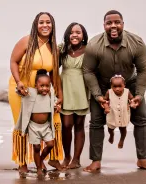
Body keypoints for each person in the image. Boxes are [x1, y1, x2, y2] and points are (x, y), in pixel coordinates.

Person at [82, 10, 146, 172]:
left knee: (141, 120)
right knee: (96, 122)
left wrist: (138, 95)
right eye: (109, 23)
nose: (113, 26)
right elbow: (88, 71)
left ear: (123, 24)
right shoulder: (94, 45)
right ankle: (96, 161)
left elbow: (143, 70)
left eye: (117, 22)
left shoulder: (136, 43)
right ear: (104, 26)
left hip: (129, 84)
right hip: (102, 85)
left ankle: (142, 159)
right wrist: (98, 96)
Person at [8, 12, 64, 177]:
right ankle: (22, 162)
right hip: (21, 90)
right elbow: (13, 61)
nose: (45, 25)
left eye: (48, 22)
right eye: (41, 22)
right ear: (35, 25)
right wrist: (19, 82)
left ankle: (47, 159)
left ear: (52, 25)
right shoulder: (27, 41)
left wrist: (60, 97)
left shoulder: (53, 47)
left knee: (53, 121)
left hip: (43, 91)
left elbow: (55, 75)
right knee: (23, 125)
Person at [14, 69, 61, 177]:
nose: (45, 88)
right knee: (36, 147)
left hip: (46, 126)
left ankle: (40, 159)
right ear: (36, 85)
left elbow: (54, 102)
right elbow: (19, 91)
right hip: (33, 127)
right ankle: (39, 167)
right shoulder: (30, 93)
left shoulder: (50, 93)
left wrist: (57, 106)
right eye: (42, 86)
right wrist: (20, 87)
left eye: (47, 86)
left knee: (50, 144)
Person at [59, 22, 89, 169]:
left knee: (79, 125)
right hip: (65, 90)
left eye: (78, 32)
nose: (75, 35)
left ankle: (76, 160)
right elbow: (51, 67)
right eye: (72, 32)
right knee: (66, 125)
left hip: (81, 91)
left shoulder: (88, 51)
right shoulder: (62, 49)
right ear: (68, 35)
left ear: (83, 36)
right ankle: (67, 156)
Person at [102, 74, 136, 149]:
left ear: (124, 85)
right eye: (115, 86)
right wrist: (106, 107)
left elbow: (132, 99)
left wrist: (132, 103)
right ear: (111, 86)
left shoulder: (127, 92)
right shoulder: (109, 92)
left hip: (123, 114)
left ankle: (122, 140)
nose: (117, 89)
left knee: (123, 129)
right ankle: (111, 135)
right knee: (110, 128)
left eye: (120, 86)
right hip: (112, 114)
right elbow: (104, 101)